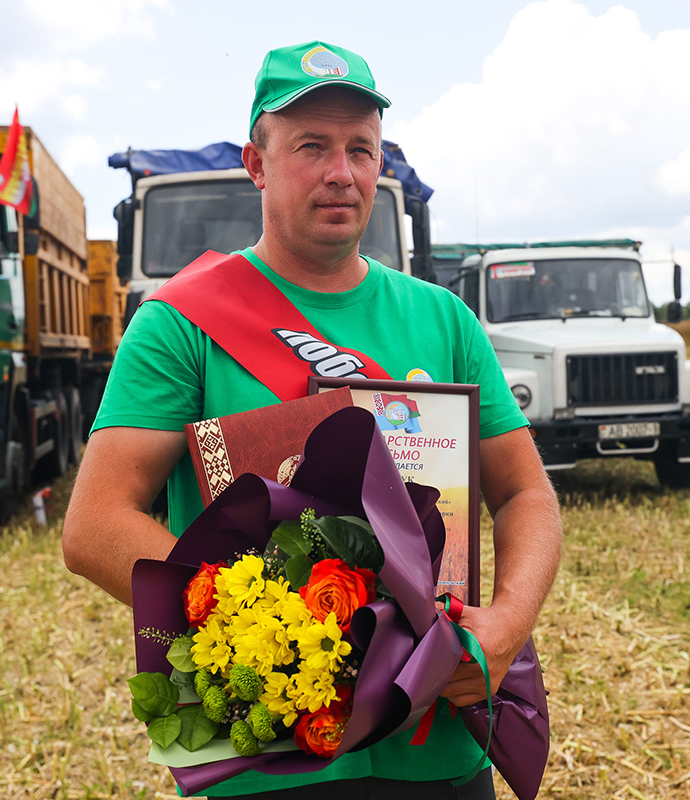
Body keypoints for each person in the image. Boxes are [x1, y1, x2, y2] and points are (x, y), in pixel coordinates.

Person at [63, 40, 562, 799]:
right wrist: (264, 638)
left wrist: (507, 625)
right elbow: (95, 525)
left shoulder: (445, 321)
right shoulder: (178, 325)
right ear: (256, 163)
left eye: (362, 149)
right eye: (311, 146)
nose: (342, 172)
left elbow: (526, 494)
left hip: (433, 746)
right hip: (265, 752)